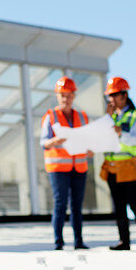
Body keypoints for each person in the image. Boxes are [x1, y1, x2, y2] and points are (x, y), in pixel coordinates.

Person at [102, 77, 136, 251]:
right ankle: (124, 242)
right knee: (119, 207)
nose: (111, 100)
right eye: (110, 96)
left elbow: (133, 140)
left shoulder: (134, 115)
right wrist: (108, 120)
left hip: (128, 167)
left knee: (134, 204)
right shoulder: (111, 117)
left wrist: (119, 133)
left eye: (114, 95)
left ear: (124, 95)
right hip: (112, 168)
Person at [40, 76, 89, 250]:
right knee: (60, 203)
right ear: (57, 96)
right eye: (62, 95)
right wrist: (55, 140)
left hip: (79, 165)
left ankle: (79, 242)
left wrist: (89, 148)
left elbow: (88, 139)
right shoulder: (51, 116)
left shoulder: (82, 117)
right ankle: (58, 243)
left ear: (74, 96)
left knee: (77, 205)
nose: (65, 99)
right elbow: (43, 142)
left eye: (68, 95)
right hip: (58, 167)